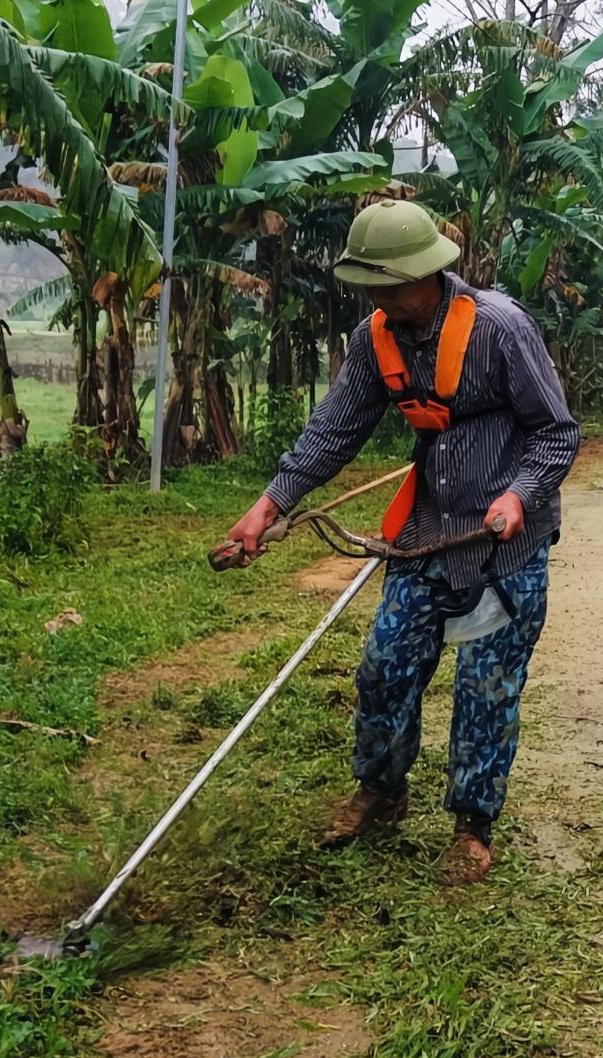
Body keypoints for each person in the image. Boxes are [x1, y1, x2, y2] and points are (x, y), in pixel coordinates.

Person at [225, 199, 580, 884]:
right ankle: (381, 792)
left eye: (386, 284)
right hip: (424, 535)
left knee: (485, 686)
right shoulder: (375, 338)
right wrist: (269, 506)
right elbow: (334, 428)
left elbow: (556, 432)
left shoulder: (500, 328)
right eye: (367, 285)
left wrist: (518, 494)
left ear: (427, 273)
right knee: (384, 668)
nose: (376, 298)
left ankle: (473, 828)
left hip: (504, 547)